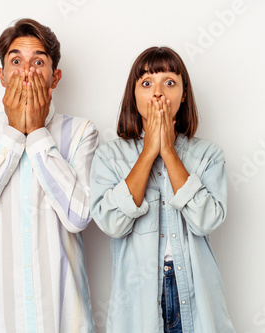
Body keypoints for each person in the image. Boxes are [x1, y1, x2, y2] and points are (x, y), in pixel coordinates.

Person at [0, 18, 98, 333]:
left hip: (62, 319)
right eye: (16, 61)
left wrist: (39, 133)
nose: (27, 72)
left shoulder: (82, 131)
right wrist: (14, 133)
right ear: (2, 76)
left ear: (54, 78)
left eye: (38, 62)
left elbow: (79, 217)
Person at [90, 46, 235, 333]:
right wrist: (148, 153)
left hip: (195, 293)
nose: (158, 93)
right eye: (146, 83)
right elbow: (111, 223)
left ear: (183, 94)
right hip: (139, 301)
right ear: (134, 95)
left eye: (169, 82)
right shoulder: (110, 156)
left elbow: (206, 220)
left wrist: (168, 151)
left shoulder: (208, 155)